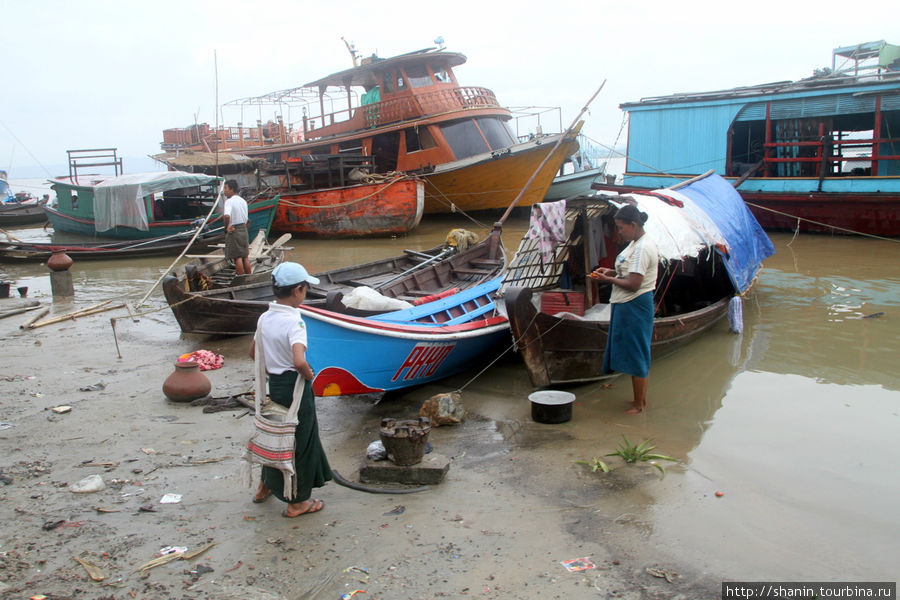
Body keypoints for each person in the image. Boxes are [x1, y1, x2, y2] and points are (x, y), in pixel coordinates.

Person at [249, 262, 333, 517]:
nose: (305, 293)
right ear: (297, 290)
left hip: (275, 385)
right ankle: (297, 502)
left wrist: (272, 368)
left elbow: (253, 353)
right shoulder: (295, 321)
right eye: (305, 288)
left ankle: (265, 486)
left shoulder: (265, 317)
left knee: (275, 434)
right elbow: (299, 360)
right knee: (300, 441)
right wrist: (309, 374)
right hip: (294, 386)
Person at [591, 205, 658, 413]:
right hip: (628, 304)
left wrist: (607, 279)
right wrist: (610, 270)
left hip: (635, 304)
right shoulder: (636, 243)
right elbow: (627, 271)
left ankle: (639, 405)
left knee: (637, 353)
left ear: (634, 225)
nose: (619, 232)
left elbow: (634, 284)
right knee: (633, 351)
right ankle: (638, 400)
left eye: (621, 228)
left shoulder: (641, 248)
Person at [223, 180, 251, 275]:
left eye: (226, 188)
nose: (224, 191)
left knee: (237, 257)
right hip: (244, 229)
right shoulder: (243, 201)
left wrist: (227, 227)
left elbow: (227, 216)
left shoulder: (229, 201)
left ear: (232, 189)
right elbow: (246, 218)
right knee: (245, 257)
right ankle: (249, 277)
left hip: (234, 230)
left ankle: (240, 279)